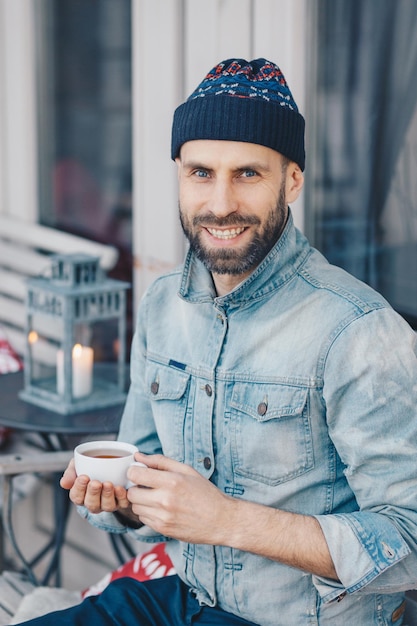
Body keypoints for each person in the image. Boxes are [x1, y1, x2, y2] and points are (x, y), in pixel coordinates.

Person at [17, 58, 417, 625]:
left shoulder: (358, 331)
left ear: (293, 180)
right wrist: (122, 504)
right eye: (201, 172)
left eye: (248, 174)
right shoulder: (162, 306)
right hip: (180, 598)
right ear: (179, 172)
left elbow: (411, 540)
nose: (221, 202)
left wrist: (226, 519)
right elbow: (144, 469)